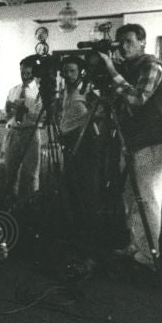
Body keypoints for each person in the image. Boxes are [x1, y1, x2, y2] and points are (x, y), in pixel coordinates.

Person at [97, 23, 162, 274]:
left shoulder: (152, 66)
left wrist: (110, 69)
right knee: (131, 197)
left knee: (147, 198)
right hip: (134, 140)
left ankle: (148, 256)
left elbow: (138, 98)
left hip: (152, 141)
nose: (123, 47)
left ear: (142, 42)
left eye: (129, 42)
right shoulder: (130, 68)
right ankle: (136, 245)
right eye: (120, 42)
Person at [56, 56, 105, 276]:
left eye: (72, 71)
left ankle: (89, 251)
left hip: (85, 145)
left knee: (86, 197)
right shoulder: (64, 91)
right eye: (65, 71)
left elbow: (102, 111)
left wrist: (90, 121)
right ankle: (74, 245)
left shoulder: (87, 90)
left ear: (80, 72)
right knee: (71, 196)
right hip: (69, 144)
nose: (68, 75)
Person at [1, 55, 43, 205]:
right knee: (10, 171)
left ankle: (31, 203)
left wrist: (26, 110)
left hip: (30, 133)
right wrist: (9, 109)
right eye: (22, 73)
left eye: (27, 74)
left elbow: (42, 118)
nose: (24, 77)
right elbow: (6, 117)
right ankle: (11, 203)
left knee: (31, 172)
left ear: (33, 73)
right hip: (13, 132)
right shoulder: (14, 90)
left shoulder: (39, 92)